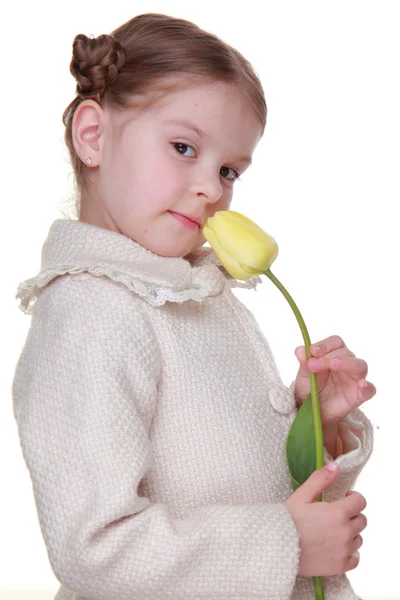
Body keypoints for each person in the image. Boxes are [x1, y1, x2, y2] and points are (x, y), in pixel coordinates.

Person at [11, 12, 375, 600]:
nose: (212, 187)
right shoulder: (90, 315)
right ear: (93, 135)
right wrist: (285, 543)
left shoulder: (195, 294)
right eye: (184, 147)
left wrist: (314, 425)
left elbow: (240, 481)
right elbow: (94, 548)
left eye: (229, 169)